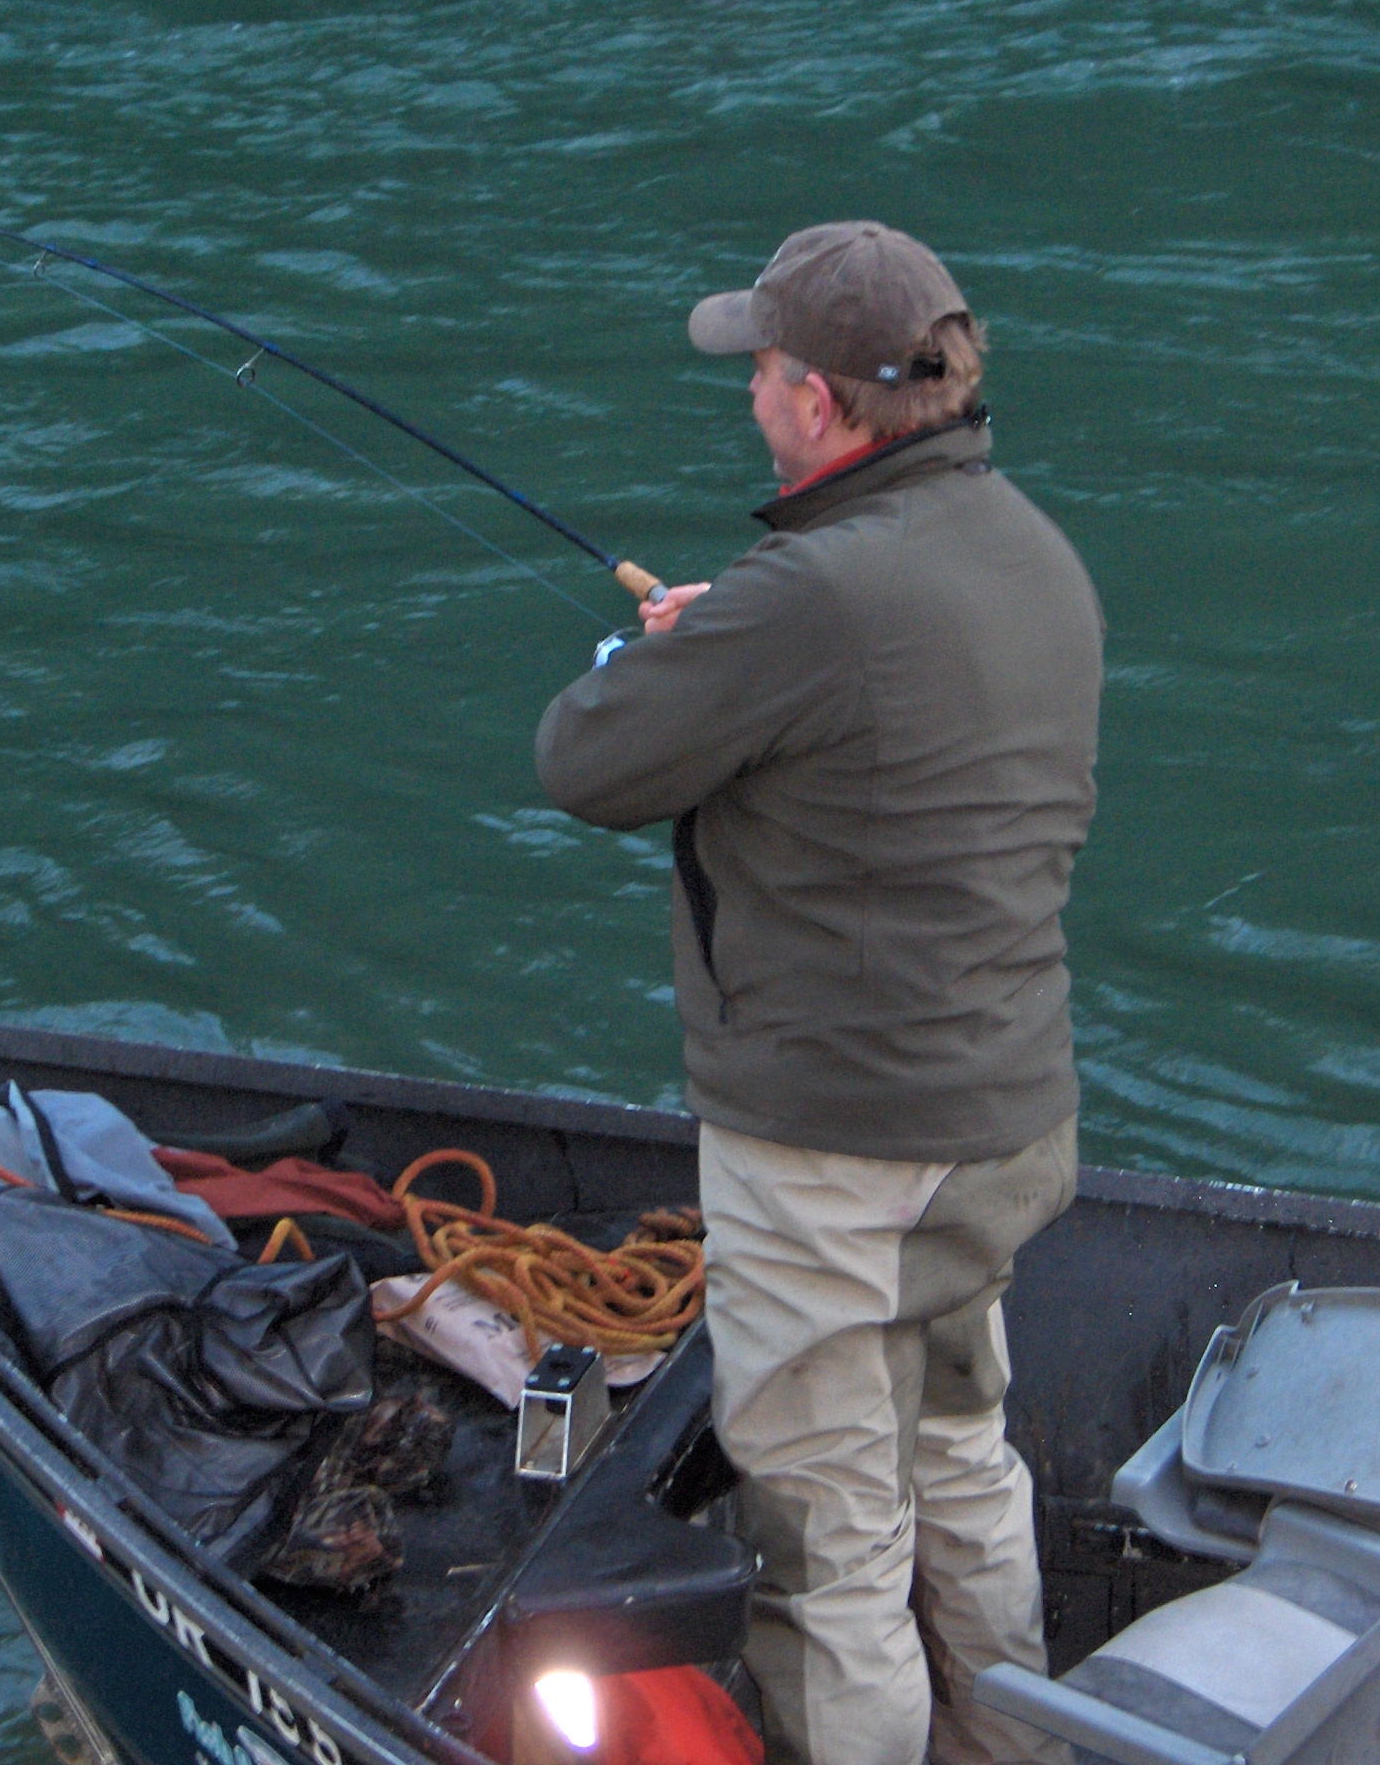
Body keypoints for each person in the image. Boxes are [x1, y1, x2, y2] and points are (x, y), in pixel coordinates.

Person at [533, 221, 1101, 1765]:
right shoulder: (1026, 549)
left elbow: (583, 759)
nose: (751, 396)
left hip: (839, 1157)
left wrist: (703, 646)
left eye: (764, 372)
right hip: (1003, 1126)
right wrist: (737, 639)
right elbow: (878, 703)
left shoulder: (809, 603)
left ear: (821, 404)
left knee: (830, 1540)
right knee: (966, 1465)